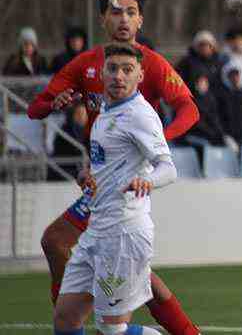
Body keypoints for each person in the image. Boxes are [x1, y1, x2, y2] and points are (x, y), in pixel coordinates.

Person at [27, 0, 200, 335]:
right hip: (102, 183)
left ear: (141, 22)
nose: (123, 19)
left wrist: (154, 146)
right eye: (116, 11)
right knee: (69, 252)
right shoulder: (88, 65)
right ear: (102, 19)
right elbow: (36, 107)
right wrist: (53, 105)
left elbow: (189, 110)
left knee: (69, 245)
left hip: (130, 193)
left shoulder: (150, 65)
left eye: (131, 12)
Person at [53, 43, 176, 335]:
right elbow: (110, 161)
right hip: (96, 231)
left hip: (124, 234)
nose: (119, 76)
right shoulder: (106, 110)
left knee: (112, 330)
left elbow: (168, 168)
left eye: (127, 69)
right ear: (102, 73)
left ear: (140, 75)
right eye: (113, 68)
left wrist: (148, 181)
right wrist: (89, 174)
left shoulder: (140, 115)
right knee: (65, 319)